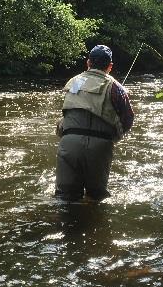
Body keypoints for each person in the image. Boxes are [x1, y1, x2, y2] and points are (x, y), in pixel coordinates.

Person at [54, 44, 134, 201]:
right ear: (110, 66)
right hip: (100, 147)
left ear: (88, 63)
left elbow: (70, 108)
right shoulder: (116, 87)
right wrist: (114, 137)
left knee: (65, 198)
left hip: (69, 143)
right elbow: (128, 119)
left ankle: (62, 224)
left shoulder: (75, 82)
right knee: (96, 198)